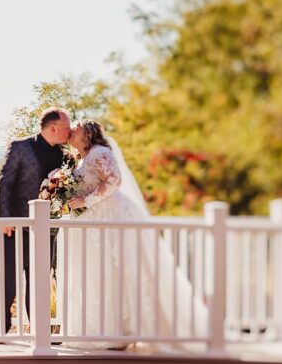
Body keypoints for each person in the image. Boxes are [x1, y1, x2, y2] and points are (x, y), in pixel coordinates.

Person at [60, 120, 208, 342]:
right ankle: (96, 329)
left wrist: (86, 201)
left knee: (113, 269)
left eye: (77, 127)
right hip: (91, 223)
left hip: (109, 218)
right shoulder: (80, 159)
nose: (72, 130)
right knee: (96, 272)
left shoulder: (100, 153)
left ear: (88, 134)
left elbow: (114, 181)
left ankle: (119, 330)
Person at [0, 108, 71, 334]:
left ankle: (39, 331)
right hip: (14, 225)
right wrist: (4, 219)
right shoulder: (20, 147)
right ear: (53, 127)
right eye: (66, 128)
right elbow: (4, 183)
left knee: (39, 281)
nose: (69, 132)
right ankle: (0, 328)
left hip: (45, 229)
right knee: (10, 277)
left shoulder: (62, 154)